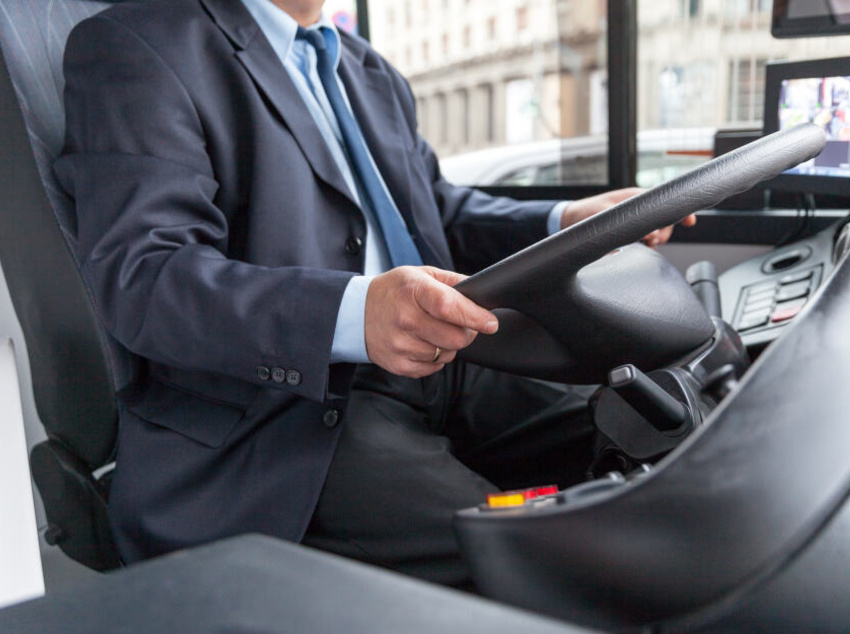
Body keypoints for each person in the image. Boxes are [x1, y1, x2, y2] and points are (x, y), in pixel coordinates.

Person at [55, 0, 695, 586]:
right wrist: (356, 313)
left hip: (446, 361)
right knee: (536, 561)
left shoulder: (366, 67)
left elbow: (435, 212)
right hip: (289, 412)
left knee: (657, 438)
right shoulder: (137, 45)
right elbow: (146, 275)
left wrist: (561, 219)